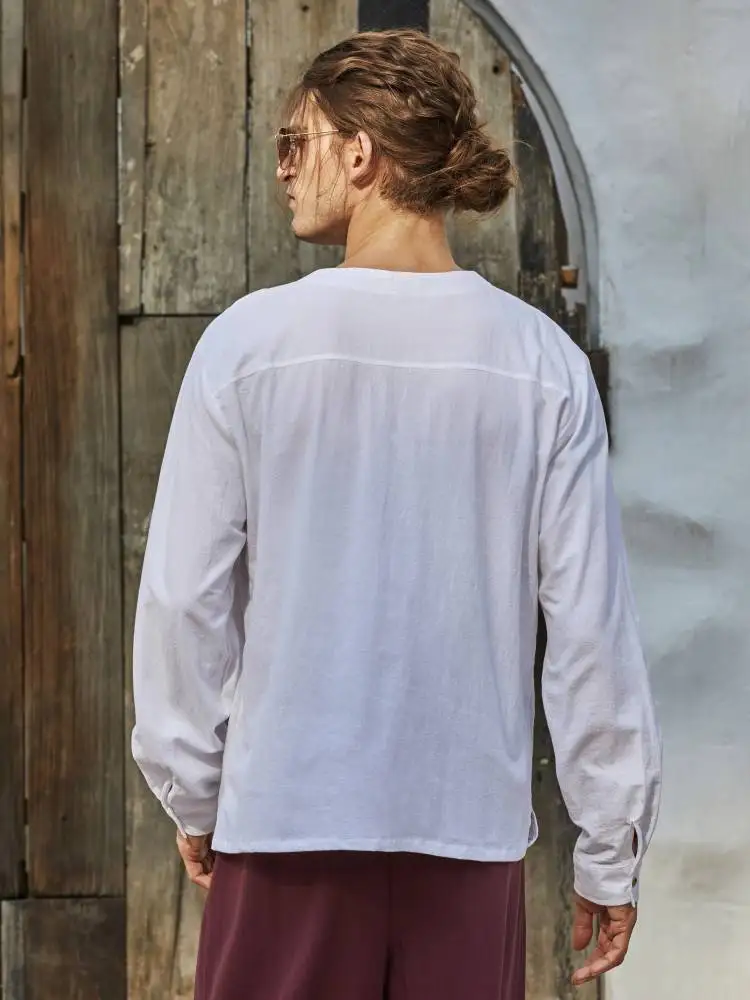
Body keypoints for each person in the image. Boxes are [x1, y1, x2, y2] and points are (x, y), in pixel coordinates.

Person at [132, 28, 661, 1000]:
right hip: (466, 829)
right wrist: (609, 846)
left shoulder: (250, 347)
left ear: (359, 152)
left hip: (285, 822)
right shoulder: (539, 364)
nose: (282, 169)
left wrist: (192, 787)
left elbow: (183, 602)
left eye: (295, 142)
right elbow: (591, 629)